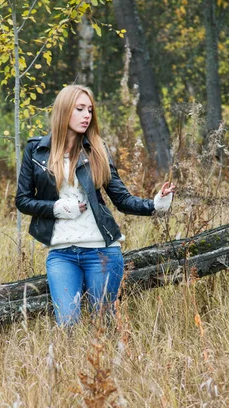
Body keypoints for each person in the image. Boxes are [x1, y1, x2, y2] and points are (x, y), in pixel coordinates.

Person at [15, 85, 175, 326]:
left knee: (104, 324)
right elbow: (23, 200)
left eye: (89, 110)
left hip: (102, 251)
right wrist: (58, 208)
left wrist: (156, 204)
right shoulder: (37, 151)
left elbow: (122, 200)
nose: (87, 115)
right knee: (67, 323)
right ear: (64, 111)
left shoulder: (97, 150)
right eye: (80, 109)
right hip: (61, 254)